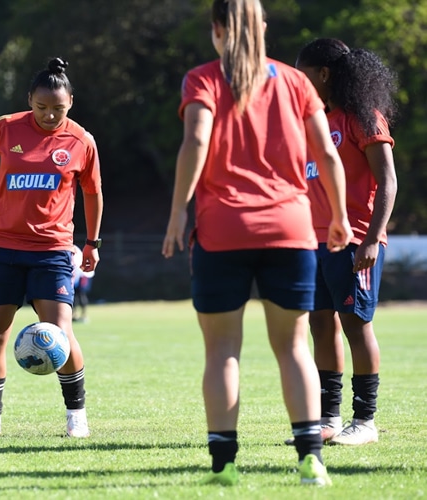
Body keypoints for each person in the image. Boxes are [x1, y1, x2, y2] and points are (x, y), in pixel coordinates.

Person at [161, 0, 353, 487]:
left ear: (217, 31)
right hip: (290, 229)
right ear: (263, 27)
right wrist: (341, 216)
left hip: (222, 230)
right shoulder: (296, 83)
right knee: (293, 348)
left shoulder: (202, 78)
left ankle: (224, 466)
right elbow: (328, 154)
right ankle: (312, 458)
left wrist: (178, 212)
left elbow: (196, 142)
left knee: (222, 351)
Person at [0, 57, 103, 439]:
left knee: (60, 333)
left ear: (71, 103)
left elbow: (93, 192)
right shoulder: (5, 128)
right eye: (41, 107)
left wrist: (92, 243)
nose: (50, 115)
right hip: (1, 248)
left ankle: (76, 415)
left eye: (58, 109)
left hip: (52, 250)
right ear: (29, 99)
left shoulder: (81, 141)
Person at [293, 38, 398, 446]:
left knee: (356, 325)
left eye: (304, 74)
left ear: (323, 74)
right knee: (321, 323)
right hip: (314, 242)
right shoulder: (315, 122)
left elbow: (387, 181)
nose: (300, 83)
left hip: (356, 240)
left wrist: (372, 238)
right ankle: (329, 418)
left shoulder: (364, 118)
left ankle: (365, 421)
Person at [71, 245, 95, 323]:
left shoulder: (75, 249)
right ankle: (74, 314)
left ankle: (84, 315)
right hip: (76, 276)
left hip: (82, 275)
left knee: (81, 295)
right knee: (74, 295)